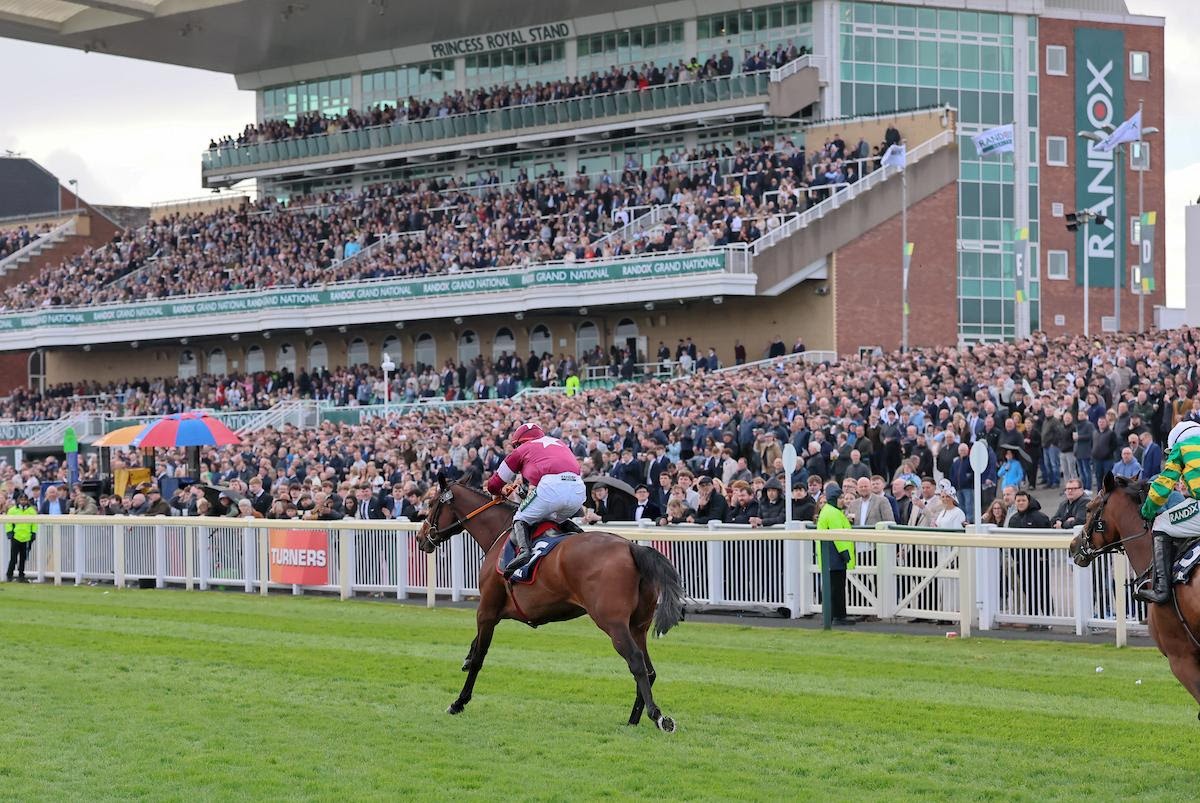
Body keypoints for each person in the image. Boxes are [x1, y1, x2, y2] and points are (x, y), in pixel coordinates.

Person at [486, 422, 585, 578]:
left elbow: (493, 484)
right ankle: (582, 535)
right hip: (578, 488)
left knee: (520, 517)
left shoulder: (522, 449)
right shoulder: (559, 442)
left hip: (551, 487)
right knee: (552, 518)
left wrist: (498, 492)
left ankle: (524, 553)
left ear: (520, 442)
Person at [1137, 420, 1200, 603]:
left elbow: (1163, 486)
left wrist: (1147, 511)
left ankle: (1162, 590)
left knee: (1160, 523)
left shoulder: (1181, 448)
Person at [816, 483, 856, 625]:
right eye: (840, 498)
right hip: (835, 555)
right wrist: (845, 554)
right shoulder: (832, 512)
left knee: (834, 587)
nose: (842, 500)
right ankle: (837, 616)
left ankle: (834, 615)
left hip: (830, 555)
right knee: (836, 588)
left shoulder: (829, 510)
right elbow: (838, 536)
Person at [5, 492, 37, 582]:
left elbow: (34, 524)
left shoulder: (31, 511)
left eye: (25, 500)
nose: (23, 501)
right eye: (21, 500)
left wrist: (33, 533)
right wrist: (9, 532)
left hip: (27, 537)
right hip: (16, 536)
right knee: (13, 558)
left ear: (27, 501)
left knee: (23, 558)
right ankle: (9, 575)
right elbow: (8, 523)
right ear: (18, 500)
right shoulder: (12, 510)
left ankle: (21, 575)